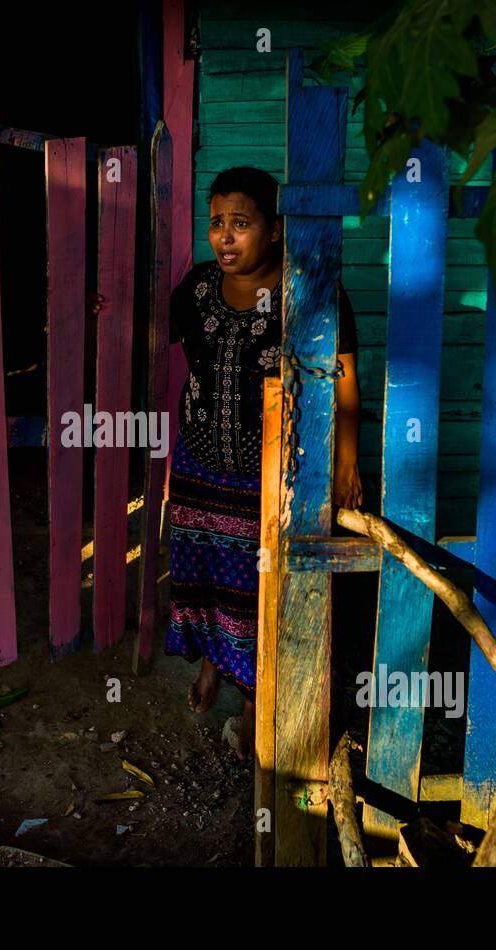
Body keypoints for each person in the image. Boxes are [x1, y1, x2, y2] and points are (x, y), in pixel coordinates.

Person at [165, 166, 361, 760]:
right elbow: (153, 329)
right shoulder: (198, 288)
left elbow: (345, 380)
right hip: (200, 464)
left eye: (241, 224)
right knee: (201, 575)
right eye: (217, 223)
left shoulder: (309, 291)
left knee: (256, 589)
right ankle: (210, 667)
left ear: (274, 230)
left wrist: (348, 465)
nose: (224, 237)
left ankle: (255, 696)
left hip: (267, 477)